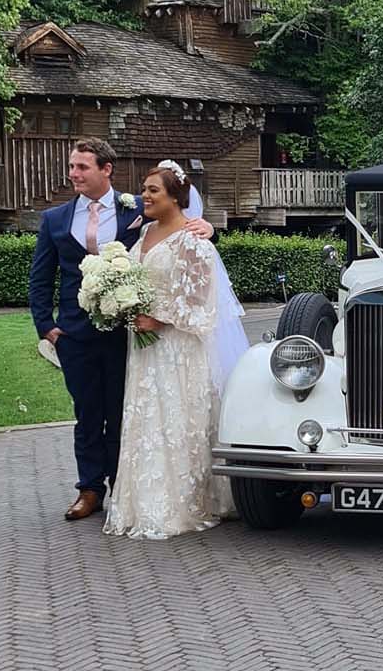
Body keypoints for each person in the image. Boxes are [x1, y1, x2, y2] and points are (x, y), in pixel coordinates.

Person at [28, 139, 213, 522]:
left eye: (82, 167)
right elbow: (41, 277)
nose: (74, 173)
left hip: (124, 333)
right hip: (75, 334)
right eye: (72, 166)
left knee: (123, 411)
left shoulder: (138, 206)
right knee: (87, 413)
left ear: (105, 169)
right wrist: (48, 327)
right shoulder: (55, 219)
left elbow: (177, 233)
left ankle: (123, 484)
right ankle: (89, 489)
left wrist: (206, 225)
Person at [103, 161, 243, 539]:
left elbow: (201, 300)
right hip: (144, 346)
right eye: (144, 189)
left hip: (177, 346)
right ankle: (143, 500)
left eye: (153, 191)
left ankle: (185, 501)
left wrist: (160, 320)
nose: (145, 196)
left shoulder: (193, 239)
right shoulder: (144, 230)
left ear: (176, 197)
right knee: (146, 419)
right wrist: (122, 303)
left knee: (177, 419)